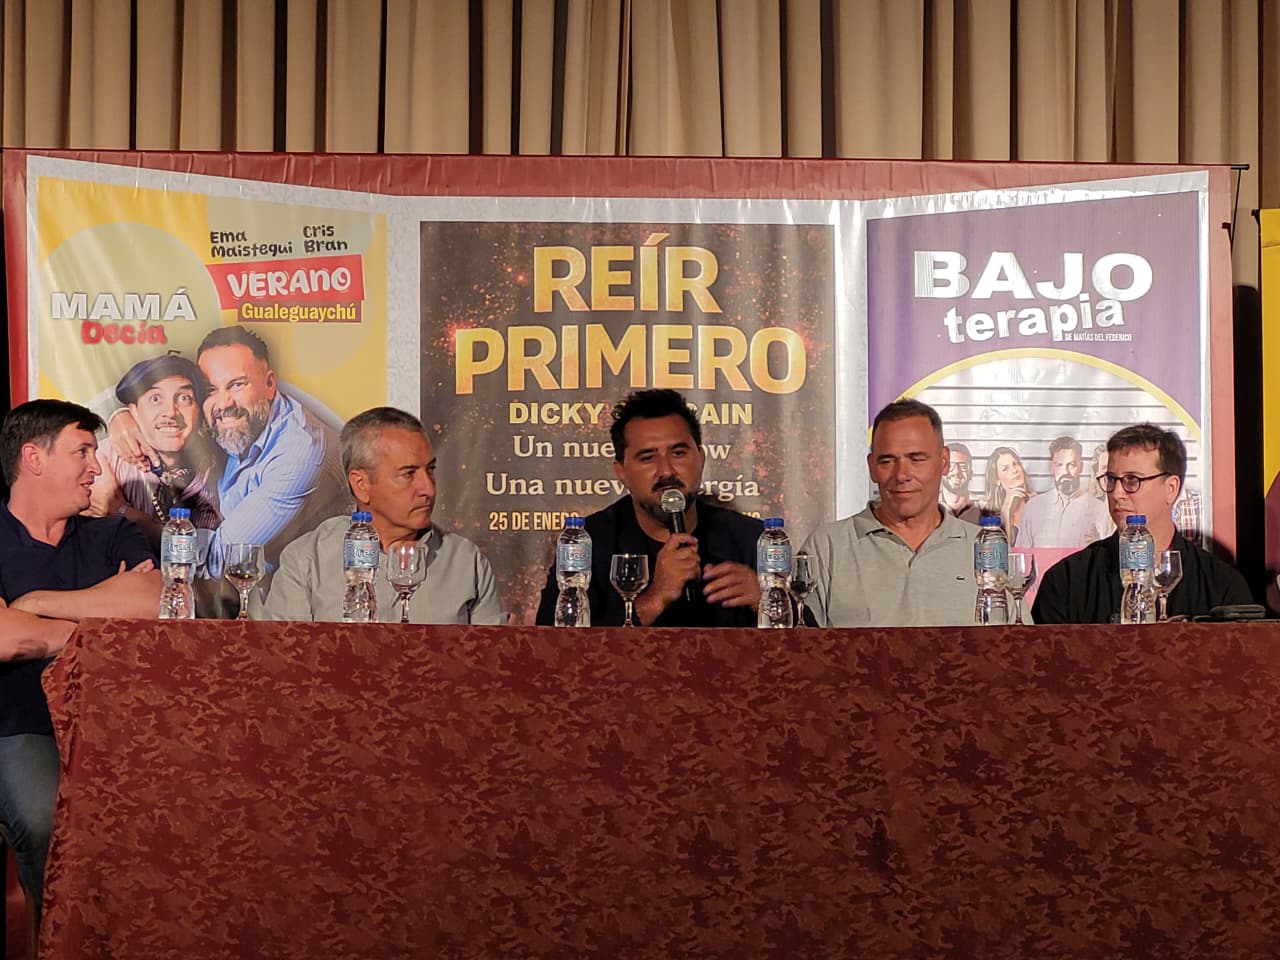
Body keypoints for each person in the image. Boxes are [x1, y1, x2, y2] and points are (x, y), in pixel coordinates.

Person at [0, 400, 161, 910]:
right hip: (21, 726)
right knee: (48, 822)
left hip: (116, 724)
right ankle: (61, 940)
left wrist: (35, 604)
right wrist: (103, 622)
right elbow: (5, 638)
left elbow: (154, 602)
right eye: (83, 452)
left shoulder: (111, 531)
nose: (97, 467)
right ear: (34, 458)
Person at [110, 328, 347, 582]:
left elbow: (218, 558)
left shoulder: (301, 453)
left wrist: (126, 514)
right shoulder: (227, 423)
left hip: (306, 590)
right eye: (210, 390)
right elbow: (168, 415)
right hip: (246, 587)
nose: (224, 403)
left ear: (269, 384)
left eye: (237, 384)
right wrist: (123, 419)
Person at [535, 389, 762, 627]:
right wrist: (654, 598)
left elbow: (792, 636)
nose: (666, 471)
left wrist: (764, 603)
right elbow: (551, 644)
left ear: (701, 459)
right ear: (621, 472)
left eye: (678, 453)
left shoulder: (751, 539)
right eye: (647, 458)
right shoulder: (587, 544)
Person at [264, 406, 504, 623]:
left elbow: (491, 656)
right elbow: (284, 653)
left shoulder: (466, 563)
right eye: (408, 474)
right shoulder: (307, 560)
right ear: (361, 485)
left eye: (430, 470)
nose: (429, 489)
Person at [1032, 423, 1252, 623]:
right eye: (1111, 480)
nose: (1117, 493)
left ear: (1171, 489)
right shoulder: (1067, 582)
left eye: (1132, 480)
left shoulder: (1220, 585)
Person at [800, 398, 977, 626]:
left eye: (916, 459)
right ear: (871, 467)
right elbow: (798, 643)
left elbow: (1015, 641)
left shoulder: (983, 547)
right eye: (887, 461)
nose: (901, 475)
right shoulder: (827, 547)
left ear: (944, 462)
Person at [87, 353, 222, 552]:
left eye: (184, 398)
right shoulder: (104, 462)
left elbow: (209, 553)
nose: (171, 412)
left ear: (198, 411)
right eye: (156, 398)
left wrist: (122, 511)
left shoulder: (217, 466)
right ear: (134, 411)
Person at [1015, 436, 1112, 548]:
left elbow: (1109, 553)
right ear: (1051, 467)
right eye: (1059, 465)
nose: (1065, 472)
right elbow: (1022, 553)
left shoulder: (1099, 510)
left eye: (1071, 465)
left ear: (1081, 467)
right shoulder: (1033, 507)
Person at [982, 445, 1034, 541]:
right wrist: (1006, 509)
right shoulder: (990, 514)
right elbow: (1001, 547)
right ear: (997, 480)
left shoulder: (1038, 502)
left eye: (1016, 464)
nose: (1014, 470)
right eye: (1006, 468)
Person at [940, 442, 982, 524]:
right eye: (950, 466)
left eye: (962, 466)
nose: (956, 471)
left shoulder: (984, 510)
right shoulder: (927, 508)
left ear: (971, 473)